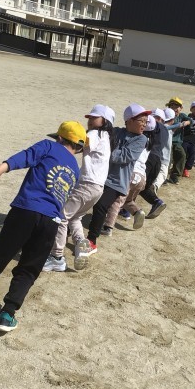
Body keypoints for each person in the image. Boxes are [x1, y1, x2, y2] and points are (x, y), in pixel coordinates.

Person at [0, 121, 87, 332]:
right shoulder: (75, 169)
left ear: (60, 138)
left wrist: (0, 168)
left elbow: (25, 156)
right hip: (51, 222)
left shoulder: (48, 146)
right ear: (79, 147)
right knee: (29, 268)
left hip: (25, 210)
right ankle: (7, 314)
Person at [43, 105, 115, 272]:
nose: (90, 120)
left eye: (94, 117)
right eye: (89, 117)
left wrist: (62, 142)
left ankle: (56, 257)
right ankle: (81, 245)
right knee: (75, 217)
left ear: (105, 121)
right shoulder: (107, 138)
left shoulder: (96, 134)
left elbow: (78, 144)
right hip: (98, 188)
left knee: (62, 216)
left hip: (86, 184)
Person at [84, 104, 149, 256]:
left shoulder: (141, 139)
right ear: (129, 120)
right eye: (142, 120)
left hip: (117, 182)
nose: (145, 124)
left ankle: (92, 241)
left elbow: (123, 157)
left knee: (100, 205)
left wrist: (104, 149)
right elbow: (98, 136)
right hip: (100, 176)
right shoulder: (116, 132)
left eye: (146, 121)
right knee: (82, 201)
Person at [166, 97, 191, 184]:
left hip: (177, 142)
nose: (174, 109)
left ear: (181, 108)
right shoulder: (167, 115)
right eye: (172, 106)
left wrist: (187, 122)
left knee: (181, 155)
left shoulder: (182, 116)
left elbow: (190, 120)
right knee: (168, 159)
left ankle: (174, 175)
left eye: (177, 107)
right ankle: (163, 176)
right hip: (167, 142)